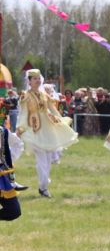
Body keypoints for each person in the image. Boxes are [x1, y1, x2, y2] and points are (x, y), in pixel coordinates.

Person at [16, 69, 78, 198]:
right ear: (29, 81)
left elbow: (53, 109)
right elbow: (23, 113)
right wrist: (21, 127)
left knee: (49, 158)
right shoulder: (25, 96)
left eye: (39, 78)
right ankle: (43, 185)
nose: (37, 81)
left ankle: (44, 184)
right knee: (41, 159)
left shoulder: (44, 95)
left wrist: (61, 120)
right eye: (34, 79)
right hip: (34, 129)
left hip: (48, 129)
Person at [0, 125, 22, 221]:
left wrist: (5, 161)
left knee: (13, 211)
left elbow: (17, 144)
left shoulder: (2, 131)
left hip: (2, 177)